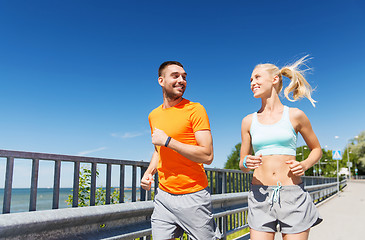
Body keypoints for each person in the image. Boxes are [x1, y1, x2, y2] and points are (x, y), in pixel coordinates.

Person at [239, 56, 323, 240]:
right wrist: (246, 161)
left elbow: (317, 149)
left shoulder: (295, 116)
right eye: (251, 80)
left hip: (292, 195)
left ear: (275, 79)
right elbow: (242, 164)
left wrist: (305, 164)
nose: (253, 82)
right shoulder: (248, 121)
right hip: (260, 196)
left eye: (257, 77)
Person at [140, 61, 221, 240]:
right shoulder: (153, 115)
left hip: (193, 195)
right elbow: (158, 150)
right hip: (163, 196)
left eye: (184, 77)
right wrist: (149, 172)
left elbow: (207, 155)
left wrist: (169, 141)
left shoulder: (195, 109)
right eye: (175, 76)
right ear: (161, 81)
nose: (181, 80)